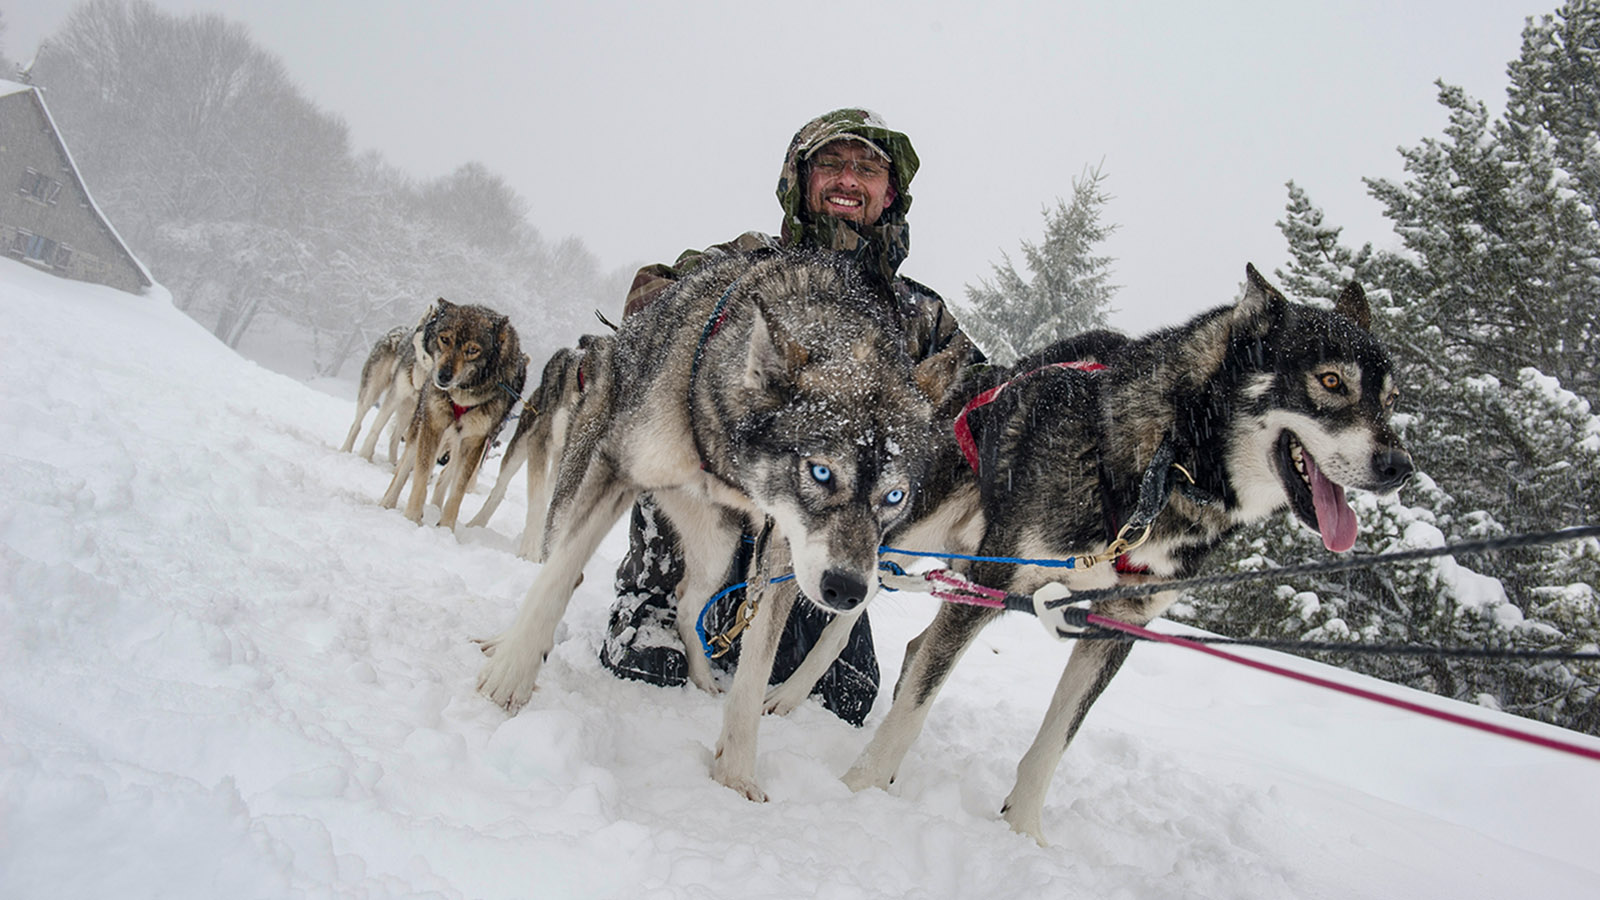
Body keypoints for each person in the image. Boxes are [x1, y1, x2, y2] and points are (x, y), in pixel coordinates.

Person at [599, 108, 981, 726]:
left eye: (868, 167)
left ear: (891, 192)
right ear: (800, 182)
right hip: (718, 501)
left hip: (832, 535)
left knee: (845, 699)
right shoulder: (747, 263)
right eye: (830, 162)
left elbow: (982, 406)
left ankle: (786, 627)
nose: (847, 178)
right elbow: (651, 302)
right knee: (669, 419)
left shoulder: (922, 318)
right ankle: (654, 602)